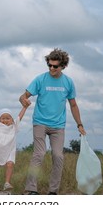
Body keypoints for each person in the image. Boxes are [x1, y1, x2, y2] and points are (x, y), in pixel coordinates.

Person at [19, 48, 86, 195]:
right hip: (40, 122)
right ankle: (31, 189)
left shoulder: (68, 82)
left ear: (63, 66)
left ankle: (53, 192)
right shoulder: (40, 79)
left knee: (58, 155)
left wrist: (79, 124)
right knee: (39, 153)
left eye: (55, 66)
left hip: (58, 126)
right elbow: (23, 96)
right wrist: (23, 100)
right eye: (49, 65)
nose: (51, 68)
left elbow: (73, 105)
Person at [0, 98, 29, 191]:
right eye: (3, 118)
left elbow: (20, 117)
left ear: (12, 119)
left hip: (10, 149)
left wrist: (25, 107)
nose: (5, 120)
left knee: (10, 164)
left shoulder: (14, 126)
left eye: (8, 118)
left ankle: (7, 183)